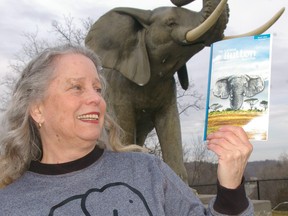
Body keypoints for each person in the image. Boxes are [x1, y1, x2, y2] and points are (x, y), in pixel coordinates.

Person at [0, 44, 253, 215]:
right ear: (37, 109)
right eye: (76, 87)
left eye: (97, 89)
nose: (96, 99)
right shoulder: (9, 204)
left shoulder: (147, 170)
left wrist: (231, 187)